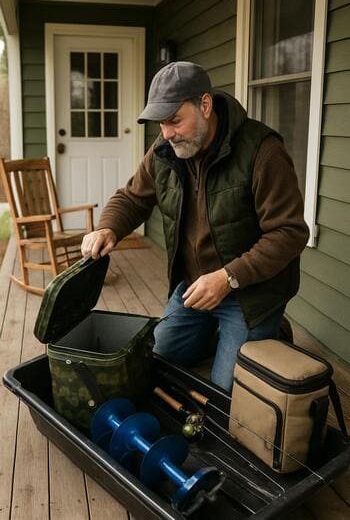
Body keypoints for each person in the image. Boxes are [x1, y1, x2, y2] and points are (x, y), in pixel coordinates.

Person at [81, 61, 309, 392]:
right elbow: (131, 198)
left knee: (226, 391)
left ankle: (267, 329)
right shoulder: (163, 150)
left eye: (174, 121)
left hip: (249, 292)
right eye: (162, 123)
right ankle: (224, 336)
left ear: (205, 105)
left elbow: (289, 233)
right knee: (158, 356)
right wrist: (108, 228)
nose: (167, 133)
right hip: (194, 286)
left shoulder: (263, 151)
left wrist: (228, 278)